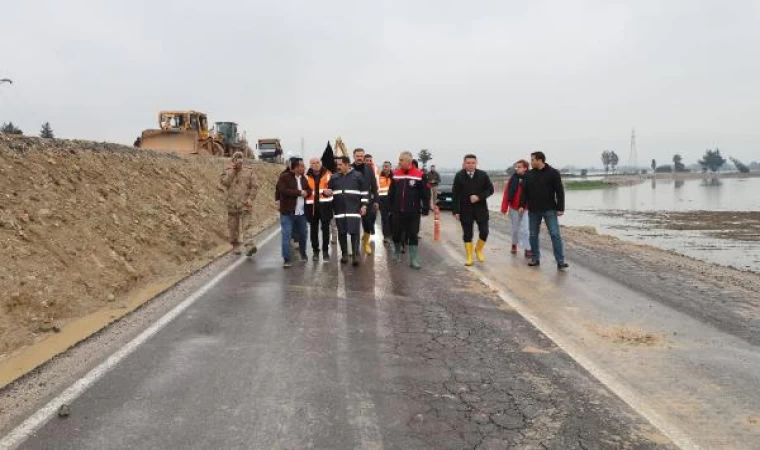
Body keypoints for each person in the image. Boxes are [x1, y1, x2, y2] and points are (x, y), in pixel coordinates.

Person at [519, 151, 569, 270]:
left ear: (540, 160)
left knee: (555, 234)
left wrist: (560, 208)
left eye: (532, 160)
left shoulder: (553, 173)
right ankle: (535, 259)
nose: (531, 162)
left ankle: (560, 261)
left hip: (550, 209)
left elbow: (559, 191)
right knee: (533, 235)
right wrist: (521, 205)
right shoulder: (528, 174)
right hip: (533, 210)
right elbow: (524, 192)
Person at [389, 151, 430, 269]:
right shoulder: (395, 174)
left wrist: (426, 208)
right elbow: (391, 192)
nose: (399, 162)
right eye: (399, 160)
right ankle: (396, 252)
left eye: (401, 160)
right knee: (396, 233)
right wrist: (390, 206)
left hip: (413, 211)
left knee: (413, 234)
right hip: (397, 210)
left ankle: (413, 259)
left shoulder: (420, 175)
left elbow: (425, 193)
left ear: (408, 162)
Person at [452, 154, 494, 266]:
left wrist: (479, 197)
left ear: (476, 163)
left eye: (473, 163)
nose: (470, 165)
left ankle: (478, 249)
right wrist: (456, 211)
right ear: (464, 163)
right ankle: (469, 256)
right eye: (468, 163)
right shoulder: (459, 176)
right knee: (467, 234)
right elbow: (455, 194)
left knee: (484, 231)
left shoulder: (483, 175)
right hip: (465, 209)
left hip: (481, 208)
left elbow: (490, 190)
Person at [326, 156, 369, 266]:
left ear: (347, 164)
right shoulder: (334, 177)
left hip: (354, 210)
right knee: (342, 232)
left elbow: (364, 192)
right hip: (339, 210)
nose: (338, 166)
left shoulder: (358, 176)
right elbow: (328, 191)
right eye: (338, 164)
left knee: (354, 233)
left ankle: (355, 255)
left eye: (340, 164)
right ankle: (344, 254)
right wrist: (326, 193)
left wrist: (364, 206)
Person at [220, 151, 260, 256]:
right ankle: (235, 246)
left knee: (246, 225)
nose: (239, 161)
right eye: (237, 159)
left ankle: (249, 246)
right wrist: (233, 171)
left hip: (245, 203)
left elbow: (255, 186)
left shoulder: (249, 171)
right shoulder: (227, 170)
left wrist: (250, 198)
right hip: (232, 203)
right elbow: (225, 182)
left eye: (240, 158)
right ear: (233, 160)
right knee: (233, 227)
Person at [276, 157, 310, 268]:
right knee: (286, 236)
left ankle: (303, 252)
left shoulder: (304, 178)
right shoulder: (284, 177)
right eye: (301, 166)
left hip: (301, 213)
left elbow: (308, 190)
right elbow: (283, 190)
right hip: (287, 213)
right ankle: (287, 259)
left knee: (303, 234)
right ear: (295, 167)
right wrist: (299, 192)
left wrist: (307, 193)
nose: (304, 168)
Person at [501, 160, 531, 258]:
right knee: (515, 230)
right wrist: (504, 208)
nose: (517, 168)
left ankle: (527, 249)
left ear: (525, 168)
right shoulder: (512, 179)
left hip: (527, 208)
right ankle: (514, 244)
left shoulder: (531, 178)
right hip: (514, 208)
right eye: (516, 167)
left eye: (519, 167)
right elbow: (506, 194)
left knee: (526, 230)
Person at [352, 148, 379, 255]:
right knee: (354, 224)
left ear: (364, 157)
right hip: (353, 200)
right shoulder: (350, 168)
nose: (359, 158)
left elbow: (374, 185)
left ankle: (366, 243)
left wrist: (376, 200)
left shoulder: (369, 169)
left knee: (368, 222)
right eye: (357, 156)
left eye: (361, 156)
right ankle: (354, 246)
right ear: (354, 156)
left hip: (367, 199)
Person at [305, 158, 333, 262]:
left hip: (325, 206)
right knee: (313, 231)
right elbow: (304, 189)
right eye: (313, 163)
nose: (315, 165)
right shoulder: (306, 176)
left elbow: (333, 187)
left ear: (321, 163)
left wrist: (330, 191)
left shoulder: (328, 174)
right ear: (310, 165)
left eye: (317, 163)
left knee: (326, 230)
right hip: (311, 207)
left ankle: (325, 251)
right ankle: (315, 251)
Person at [377, 161, 394, 243]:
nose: (385, 168)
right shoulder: (379, 177)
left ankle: (391, 234)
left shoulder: (394, 177)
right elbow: (376, 189)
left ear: (390, 167)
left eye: (387, 166)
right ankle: (386, 236)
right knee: (385, 219)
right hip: (382, 201)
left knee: (392, 219)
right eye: (384, 166)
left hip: (392, 201)